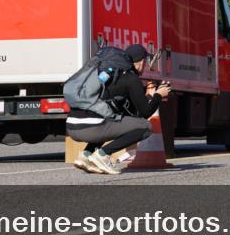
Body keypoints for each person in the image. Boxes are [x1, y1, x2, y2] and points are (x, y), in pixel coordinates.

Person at [67, 43, 170, 174]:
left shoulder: (109, 75)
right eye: (145, 61)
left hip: (72, 127)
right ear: (141, 62)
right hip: (90, 128)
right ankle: (103, 154)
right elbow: (145, 112)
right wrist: (158, 95)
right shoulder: (131, 78)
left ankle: (86, 154)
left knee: (112, 118)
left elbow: (129, 112)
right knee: (146, 127)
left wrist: (146, 95)